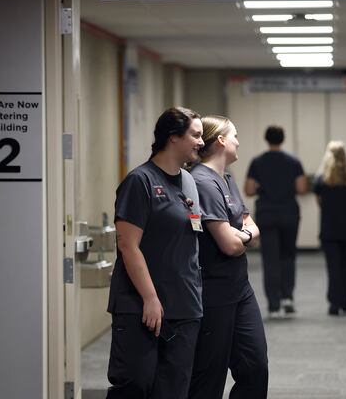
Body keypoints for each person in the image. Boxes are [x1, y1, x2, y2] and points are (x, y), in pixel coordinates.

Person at [106, 107, 205, 399]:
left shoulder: (189, 181)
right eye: (196, 135)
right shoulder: (140, 182)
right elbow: (128, 245)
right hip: (142, 307)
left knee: (173, 390)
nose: (201, 142)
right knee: (135, 387)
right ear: (173, 137)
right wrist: (150, 298)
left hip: (184, 306)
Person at [188, 115, 268, 399]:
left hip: (239, 288)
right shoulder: (202, 181)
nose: (238, 142)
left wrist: (241, 235)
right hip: (214, 291)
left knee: (255, 367)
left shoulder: (227, 178)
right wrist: (244, 235)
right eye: (234, 135)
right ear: (221, 140)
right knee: (209, 376)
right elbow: (229, 245)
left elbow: (251, 228)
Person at [244, 125, 307, 318]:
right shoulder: (294, 161)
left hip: (267, 214)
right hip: (289, 213)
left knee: (270, 259)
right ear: (283, 139)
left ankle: (273, 305)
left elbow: (248, 190)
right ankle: (288, 298)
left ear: (266, 139)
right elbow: (302, 188)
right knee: (288, 255)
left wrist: (263, 187)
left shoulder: (257, 162)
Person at [313, 141, 346, 316]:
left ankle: (334, 304)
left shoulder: (321, 180)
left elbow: (320, 203)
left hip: (329, 229)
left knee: (333, 267)